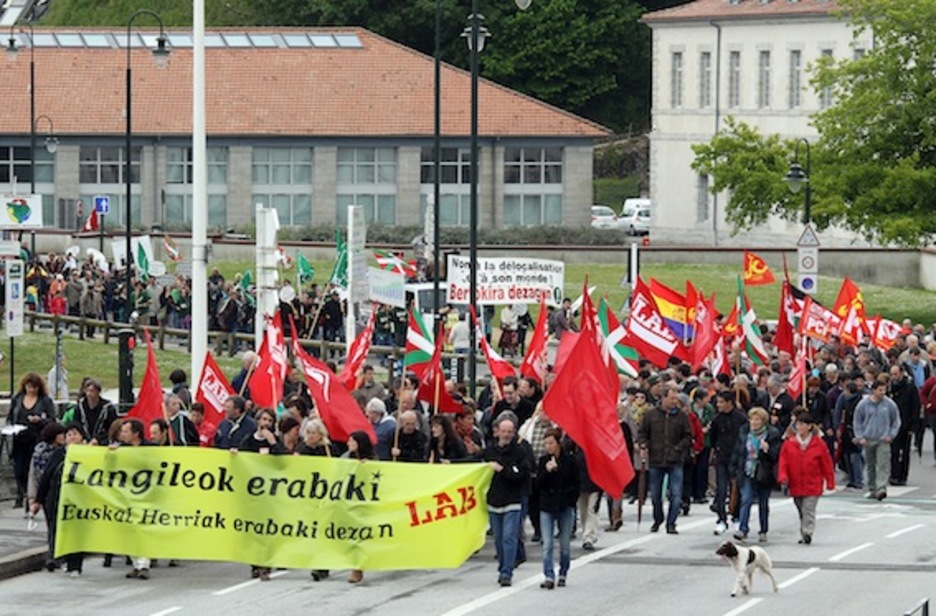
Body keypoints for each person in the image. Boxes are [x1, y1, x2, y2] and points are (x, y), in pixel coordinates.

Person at [637, 382, 693, 534]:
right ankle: (658, 518)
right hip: (656, 459)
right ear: (663, 398)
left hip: (675, 460)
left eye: (676, 399)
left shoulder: (682, 416)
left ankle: (671, 523)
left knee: (676, 495)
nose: (675, 401)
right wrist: (644, 445)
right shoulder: (650, 414)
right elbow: (642, 433)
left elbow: (688, 436)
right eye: (672, 398)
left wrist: (678, 448)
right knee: (655, 495)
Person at [33, 423, 88, 577]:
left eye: (75, 434)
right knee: (57, 529)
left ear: (82, 437)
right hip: (56, 498)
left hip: (79, 499)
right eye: (68, 434)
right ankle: (58, 558)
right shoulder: (58, 454)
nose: (71, 437)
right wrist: (38, 499)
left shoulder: (90, 453)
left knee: (76, 532)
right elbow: (47, 476)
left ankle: (75, 564)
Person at [484, 416, 531, 587]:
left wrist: (503, 470)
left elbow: (522, 474)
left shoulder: (520, 451)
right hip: (494, 501)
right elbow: (474, 462)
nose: (506, 434)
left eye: (510, 432)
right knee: (498, 539)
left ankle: (507, 572)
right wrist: (450, 463)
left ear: (514, 432)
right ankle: (503, 565)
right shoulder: (490, 450)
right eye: (503, 431)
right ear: (497, 431)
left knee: (509, 538)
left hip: (513, 500)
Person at [778, 411, 835, 545]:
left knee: (808, 508)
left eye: (802, 424)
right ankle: (804, 532)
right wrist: (783, 477)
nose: (799, 427)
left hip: (813, 482)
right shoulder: (789, 443)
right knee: (800, 508)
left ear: (809, 426)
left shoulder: (819, 443)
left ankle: (808, 531)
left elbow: (826, 463)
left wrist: (830, 481)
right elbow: (783, 462)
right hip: (795, 482)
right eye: (797, 424)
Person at [730, 406, 781, 543]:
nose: (754, 422)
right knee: (746, 499)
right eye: (752, 419)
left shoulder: (772, 434)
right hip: (747, 470)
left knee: (763, 503)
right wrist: (733, 469)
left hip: (764, 473)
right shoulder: (744, 432)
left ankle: (763, 530)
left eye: (757, 419)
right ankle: (743, 529)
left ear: (763, 421)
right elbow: (738, 451)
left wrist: (767, 450)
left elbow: (776, 456)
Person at [536, 428, 578, 590]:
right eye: (546, 443)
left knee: (564, 544)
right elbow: (537, 484)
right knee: (547, 544)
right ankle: (548, 575)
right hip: (547, 505)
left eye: (551, 443)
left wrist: (571, 501)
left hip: (564, 505)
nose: (548, 446)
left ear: (558, 443)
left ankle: (563, 572)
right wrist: (547, 471)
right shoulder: (542, 461)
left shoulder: (569, 461)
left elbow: (575, 482)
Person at [7, 372, 56, 510]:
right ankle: (20, 492)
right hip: (18, 438)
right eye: (29, 387)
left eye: (35, 387)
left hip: (36, 438)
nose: (32, 390)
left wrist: (40, 420)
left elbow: (52, 419)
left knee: (31, 469)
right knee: (18, 469)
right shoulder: (17, 398)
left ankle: (30, 498)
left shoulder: (44, 400)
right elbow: (11, 416)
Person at [854, 375, 901, 501]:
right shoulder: (863, 404)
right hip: (868, 438)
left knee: (883, 464)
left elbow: (896, 420)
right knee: (870, 465)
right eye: (880, 390)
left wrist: (891, 434)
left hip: (883, 439)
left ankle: (881, 488)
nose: (882, 393)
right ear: (873, 390)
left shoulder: (889, 404)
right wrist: (860, 436)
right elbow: (857, 421)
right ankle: (872, 488)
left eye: (884, 390)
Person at [708, 391, 747, 535]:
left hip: (737, 458)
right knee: (721, 489)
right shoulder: (717, 419)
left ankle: (736, 516)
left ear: (730, 402)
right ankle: (721, 518)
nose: (718, 405)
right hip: (722, 457)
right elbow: (713, 438)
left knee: (737, 489)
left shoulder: (741, 418)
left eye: (721, 402)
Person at [342, 430, 375, 584]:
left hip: (364, 503)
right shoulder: (345, 457)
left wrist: (365, 468)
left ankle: (357, 568)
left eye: (352, 441)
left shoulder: (372, 460)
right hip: (347, 502)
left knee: (360, 536)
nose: (348, 444)